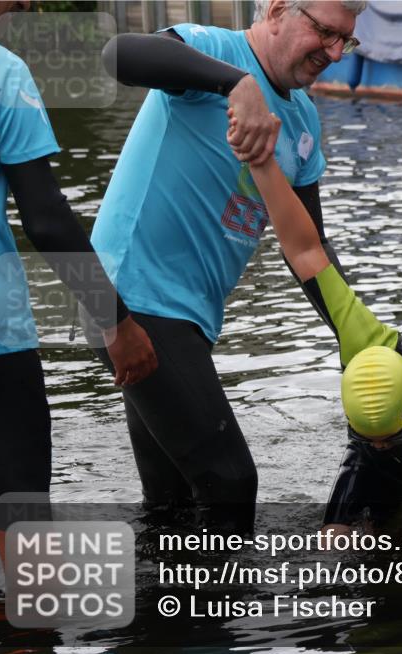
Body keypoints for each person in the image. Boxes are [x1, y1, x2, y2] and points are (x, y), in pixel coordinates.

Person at [86, 0, 366, 531]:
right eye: (326, 32)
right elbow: (118, 55)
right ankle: (221, 612)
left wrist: (362, 338)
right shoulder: (213, 49)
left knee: (172, 504)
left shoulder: (303, 120)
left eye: (345, 41)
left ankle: (161, 611)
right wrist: (236, 84)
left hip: (185, 319)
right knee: (231, 482)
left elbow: (308, 250)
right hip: (125, 299)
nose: (333, 53)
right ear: (279, 9)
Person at [229, 111, 402, 557]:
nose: (382, 446)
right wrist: (261, 162)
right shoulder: (358, 337)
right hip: (386, 432)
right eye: (371, 436)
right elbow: (305, 250)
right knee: (332, 544)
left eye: (387, 438)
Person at [0, 0, 157, 557]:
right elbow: (47, 221)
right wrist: (116, 322)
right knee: (21, 534)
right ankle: (21, 644)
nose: (27, 4)